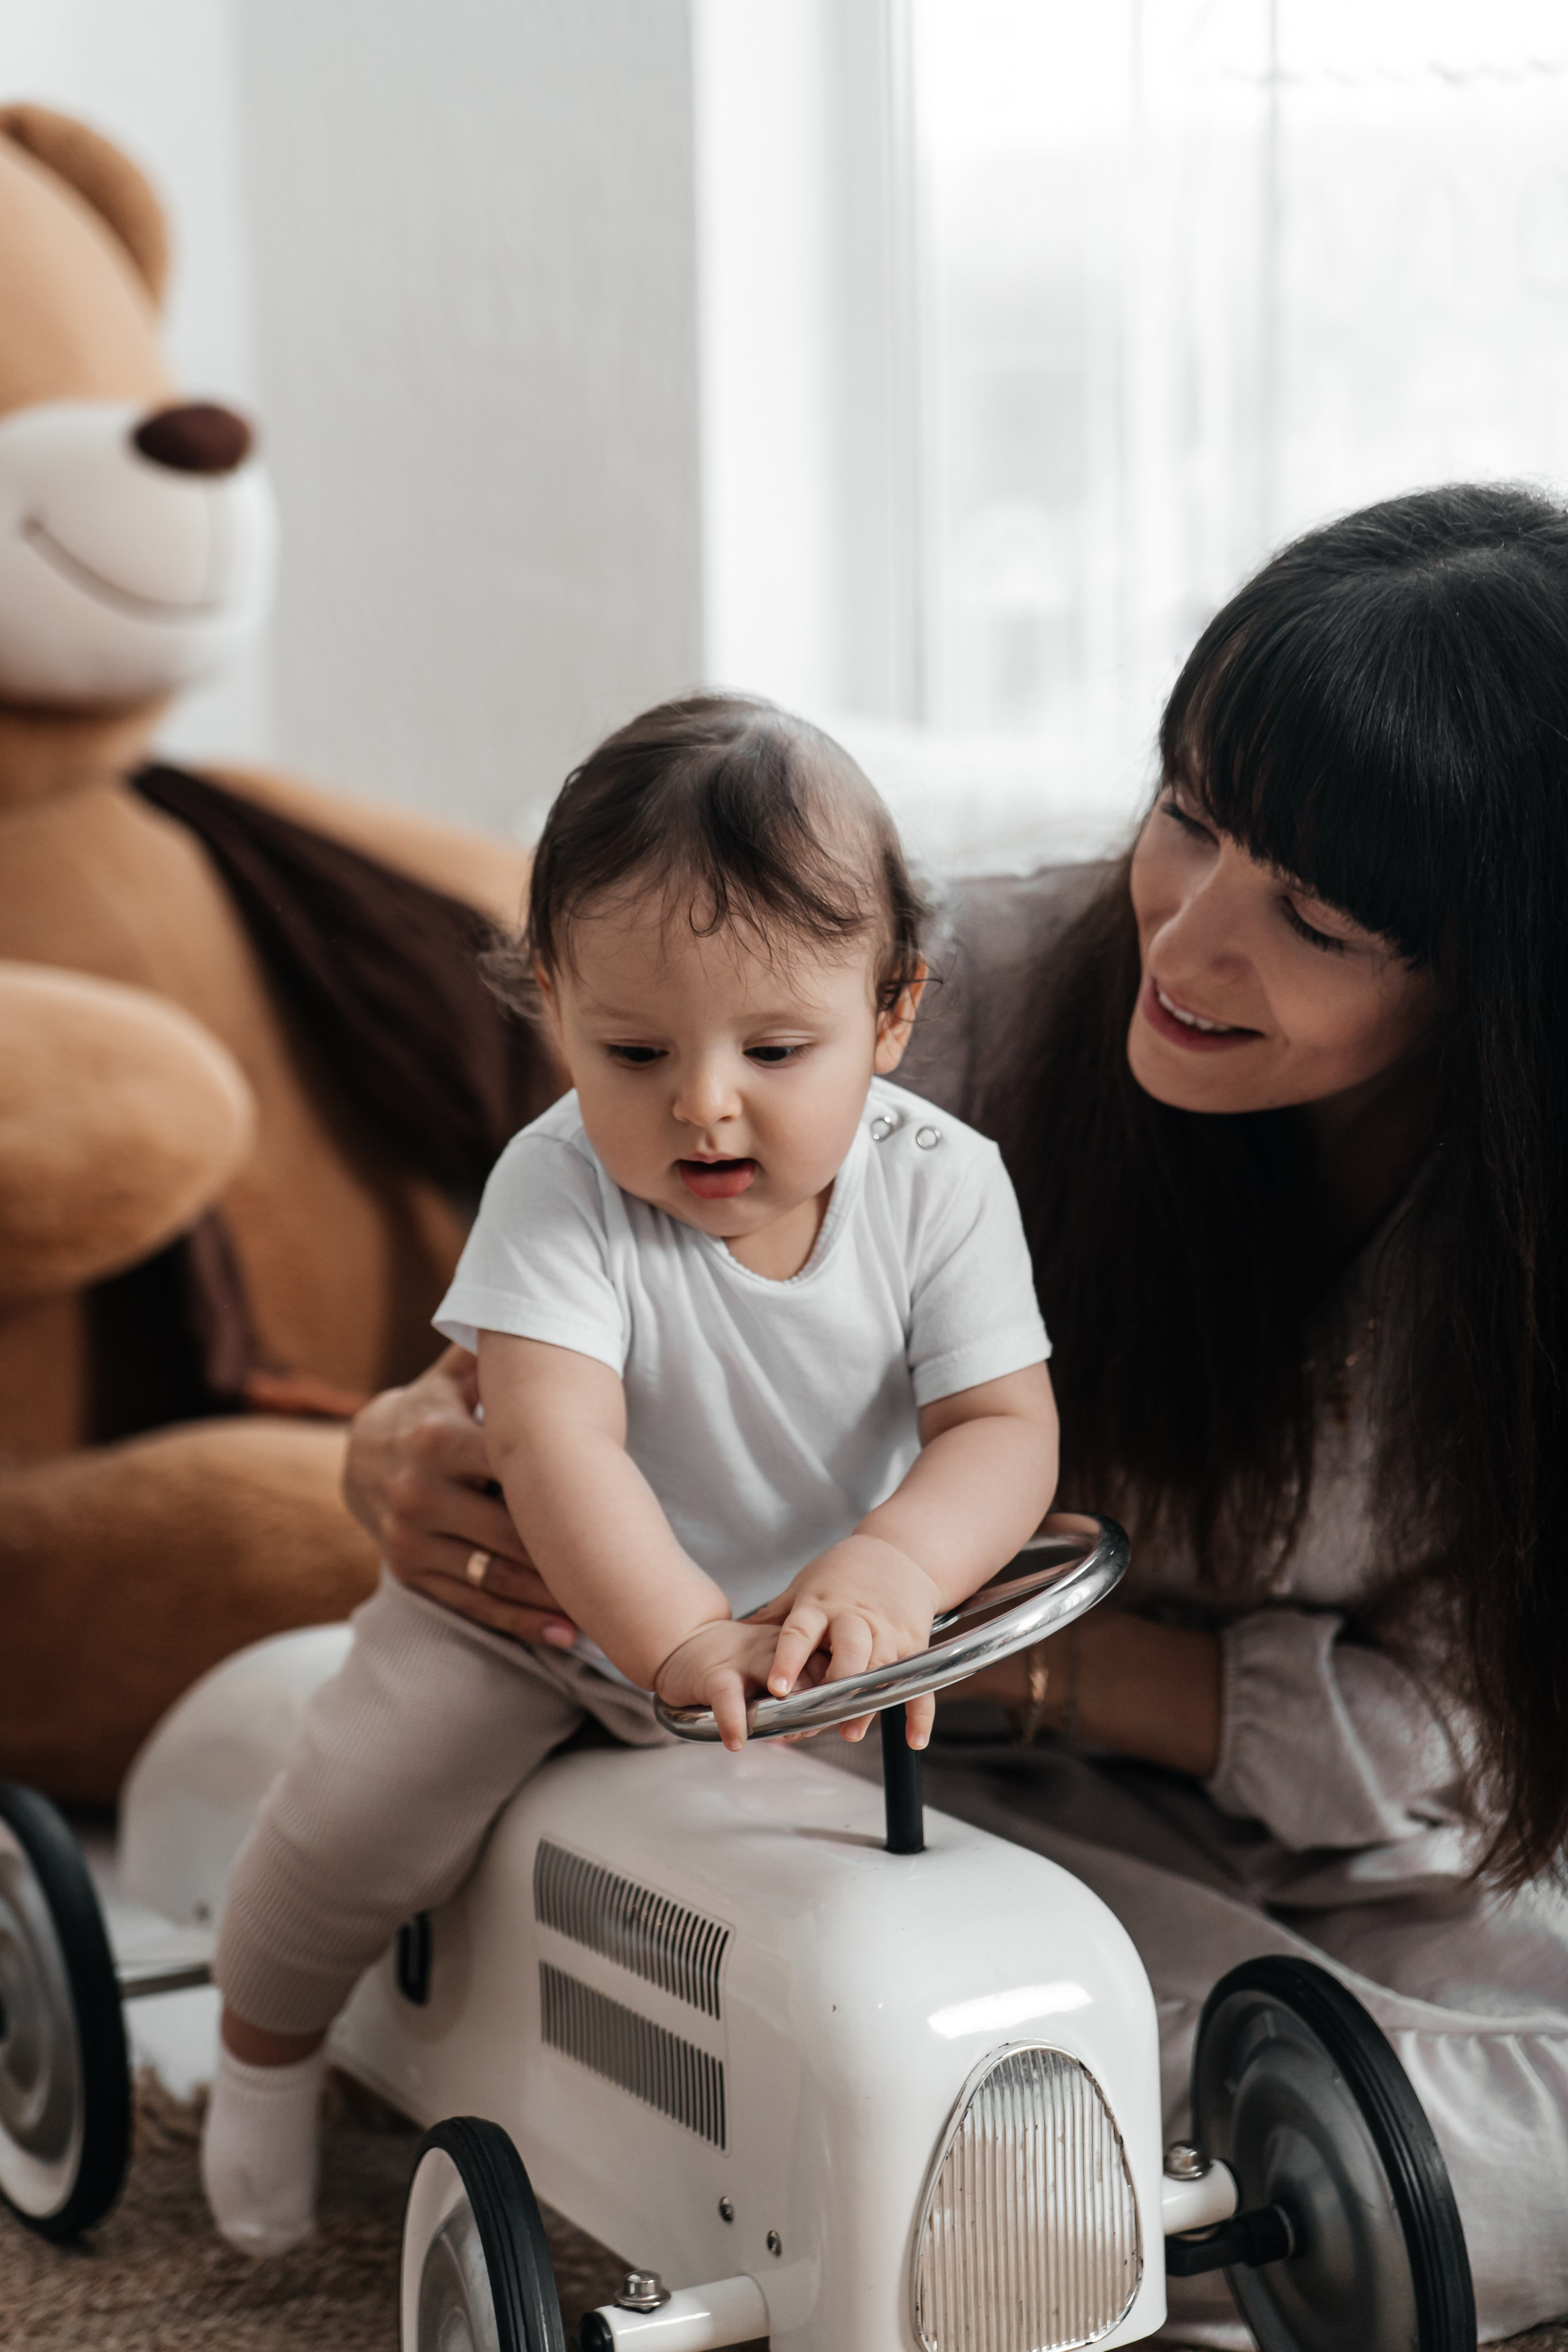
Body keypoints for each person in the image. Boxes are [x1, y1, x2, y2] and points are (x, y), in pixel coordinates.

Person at [344, 488, 1568, 2345]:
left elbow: (1465, 1753)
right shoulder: (936, 1015)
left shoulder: (1524, 1250)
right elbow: (560, 1369)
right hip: (850, 1769)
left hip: (1278, 1800)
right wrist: (408, 1456)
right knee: (1025, 2099)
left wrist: (991, 1648)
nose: (1186, 933)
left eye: (1309, 914)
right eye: (1186, 813)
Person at [200, 696, 1058, 2256]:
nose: (702, 1102)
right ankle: (258, 2056)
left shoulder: (945, 1187)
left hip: (792, 1649)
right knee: (359, 1812)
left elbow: (1002, 1429)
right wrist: (672, 1639)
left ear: (891, 1014)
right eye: (633, 1049)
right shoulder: (557, 1185)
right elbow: (552, 1437)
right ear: (554, 1015)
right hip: (539, 1621)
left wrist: (887, 1572)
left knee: (878, 1919)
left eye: (775, 1048)